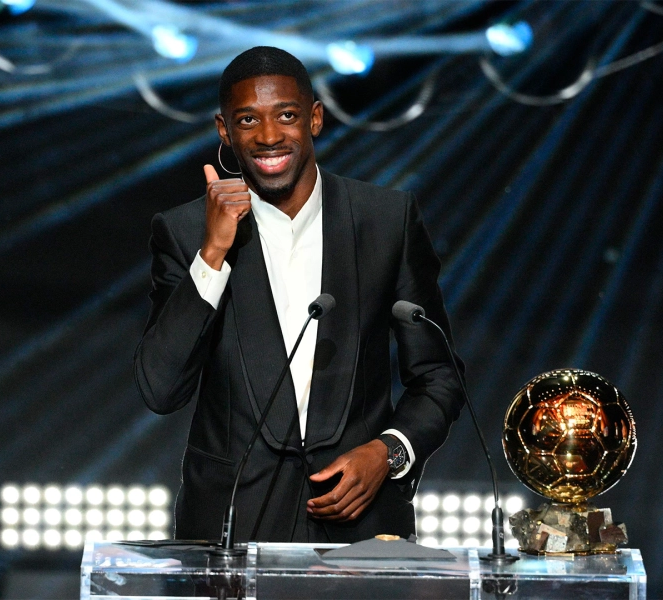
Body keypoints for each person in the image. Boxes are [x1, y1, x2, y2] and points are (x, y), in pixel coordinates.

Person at [134, 46, 464, 544]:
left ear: (314, 118)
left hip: (360, 524)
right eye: (248, 120)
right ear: (225, 131)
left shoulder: (385, 220)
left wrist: (388, 452)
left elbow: (438, 376)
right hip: (231, 528)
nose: (269, 137)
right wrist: (213, 252)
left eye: (286, 115)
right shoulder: (184, 233)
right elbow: (160, 389)